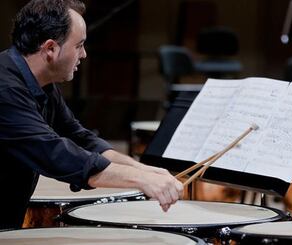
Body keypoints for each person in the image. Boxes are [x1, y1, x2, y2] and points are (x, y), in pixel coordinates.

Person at [0, 0, 183, 230]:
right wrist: (142, 180)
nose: (84, 54)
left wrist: (143, 169)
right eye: (79, 45)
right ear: (50, 49)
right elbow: (55, 153)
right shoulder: (5, 89)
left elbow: (80, 138)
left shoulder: (41, 82)